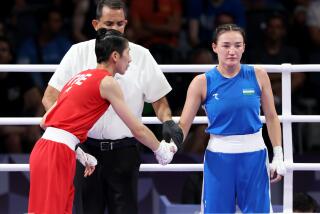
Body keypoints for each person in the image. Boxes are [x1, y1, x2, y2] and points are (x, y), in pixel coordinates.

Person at [41, 1, 183, 214]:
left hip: (124, 151)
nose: (114, 29)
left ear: (126, 24)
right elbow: (50, 97)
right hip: (85, 148)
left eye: (119, 24)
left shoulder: (140, 55)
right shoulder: (78, 53)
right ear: (96, 24)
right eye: (108, 24)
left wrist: (168, 121)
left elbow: (159, 100)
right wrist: (68, 133)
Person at [178, 24, 286, 213]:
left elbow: (271, 117)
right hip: (218, 157)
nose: (232, 51)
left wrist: (278, 154)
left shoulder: (258, 75)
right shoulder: (201, 82)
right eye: (226, 45)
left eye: (237, 45)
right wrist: (170, 145)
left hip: (255, 155)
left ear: (244, 47)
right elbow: (184, 123)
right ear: (215, 47)